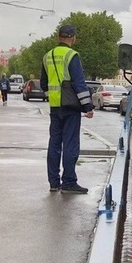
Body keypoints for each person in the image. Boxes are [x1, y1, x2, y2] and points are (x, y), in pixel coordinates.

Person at [40, 24, 94, 194]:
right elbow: (79, 83)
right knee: (70, 144)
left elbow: (43, 84)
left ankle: (54, 182)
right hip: (70, 108)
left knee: (54, 143)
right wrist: (88, 107)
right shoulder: (72, 55)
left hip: (55, 107)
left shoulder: (47, 56)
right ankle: (69, 182)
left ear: (58, 37)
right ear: (73, 38)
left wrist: (55, 95)